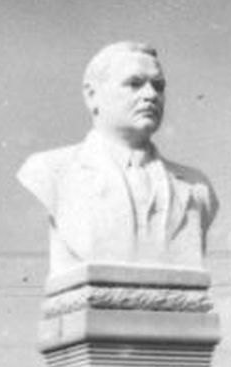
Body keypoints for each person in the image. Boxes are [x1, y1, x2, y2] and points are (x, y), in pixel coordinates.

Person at [17, 41, 219, 276]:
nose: (151, 95)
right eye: (134, 84)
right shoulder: (51, 171)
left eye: (158, 86)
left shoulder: (197, 187)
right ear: (92, 96)